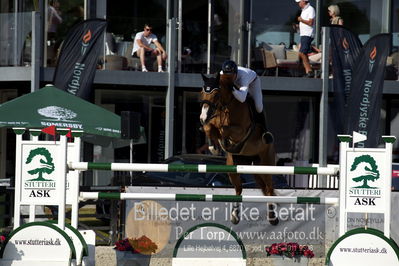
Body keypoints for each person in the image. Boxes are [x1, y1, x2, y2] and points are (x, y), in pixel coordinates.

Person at [221, 60, 273, 144]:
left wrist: (232, 89)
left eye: (231, 75)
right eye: (227, 76)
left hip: (253, 82)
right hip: (236, 86)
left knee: (258, 107)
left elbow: (242, 98)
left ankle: (265, 131)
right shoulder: (221, 74)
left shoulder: (243, 76)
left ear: (236, 73)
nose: (229, 78)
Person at [295, 0, 316, 78]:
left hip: (308, 34)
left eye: (299, 1)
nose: (298, 3)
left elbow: (311, 23)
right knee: (302, 53)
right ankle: (308, 72)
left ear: (304, 1)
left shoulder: (311, 9)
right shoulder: (304, 10)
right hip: (304, 34)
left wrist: (301, 20)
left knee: (302, 53)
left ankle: (309, 71)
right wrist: (298, 27)